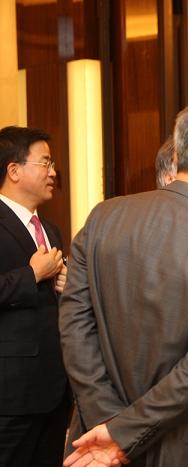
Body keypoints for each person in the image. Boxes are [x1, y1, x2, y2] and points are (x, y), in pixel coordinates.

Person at [59, 98, 188, 467]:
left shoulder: (104, 216)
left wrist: (107, 420)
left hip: (95, 437)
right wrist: (122, 431)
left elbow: (75, 326)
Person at [0, 126, 71, 467]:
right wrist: (31, 275)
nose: (53, 172)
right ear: (14, 170)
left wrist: (68, 287)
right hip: (10, 397)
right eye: (45, 163)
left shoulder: (50, 229)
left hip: (53, 392)